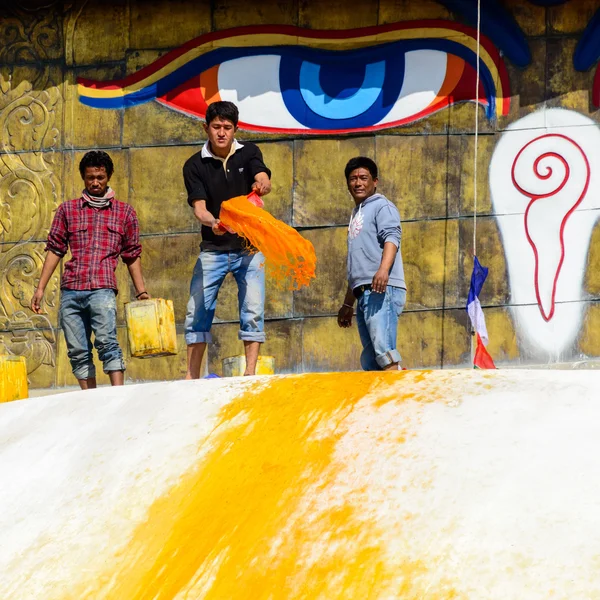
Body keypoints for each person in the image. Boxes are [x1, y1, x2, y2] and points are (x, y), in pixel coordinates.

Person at [30, 150, 150, 389]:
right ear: (83, 178)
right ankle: (89, 400)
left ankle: (118, 395)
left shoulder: (125, 212)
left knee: (107, 342)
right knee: (77, 350)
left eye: (100, 177)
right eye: (90, 177)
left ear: (108, 177)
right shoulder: (68, 210)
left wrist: (141, 292)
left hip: (102, 290)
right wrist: (40, 288)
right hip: (71, 290)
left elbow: (132, 254)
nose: (95, 182)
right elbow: (55, 249)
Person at [183, 101, 272, 378]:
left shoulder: (248, 153)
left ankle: (250, 373)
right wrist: (214, 223)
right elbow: (199, 208)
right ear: (206, 128)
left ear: (236, 129)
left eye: (227, 128)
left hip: (250, 247)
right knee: (197, 311)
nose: (222, 133)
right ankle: (191, 377)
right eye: (216, 127)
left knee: (253, 310)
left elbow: (261, 173)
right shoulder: (194, 164)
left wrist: (262, 182)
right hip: (213, 248)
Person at [337, 156, 407, 371]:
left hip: (381, 290)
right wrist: (348, 303)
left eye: (363, 178)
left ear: (374, 181)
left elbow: (392, 237)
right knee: (371, 361)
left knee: (384, 353)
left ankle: (395, 401)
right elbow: (357, 265)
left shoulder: (382, 206)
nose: (358, 183)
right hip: (364, 292)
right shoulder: (357, 213)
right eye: (353, 179)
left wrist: (384, 270)